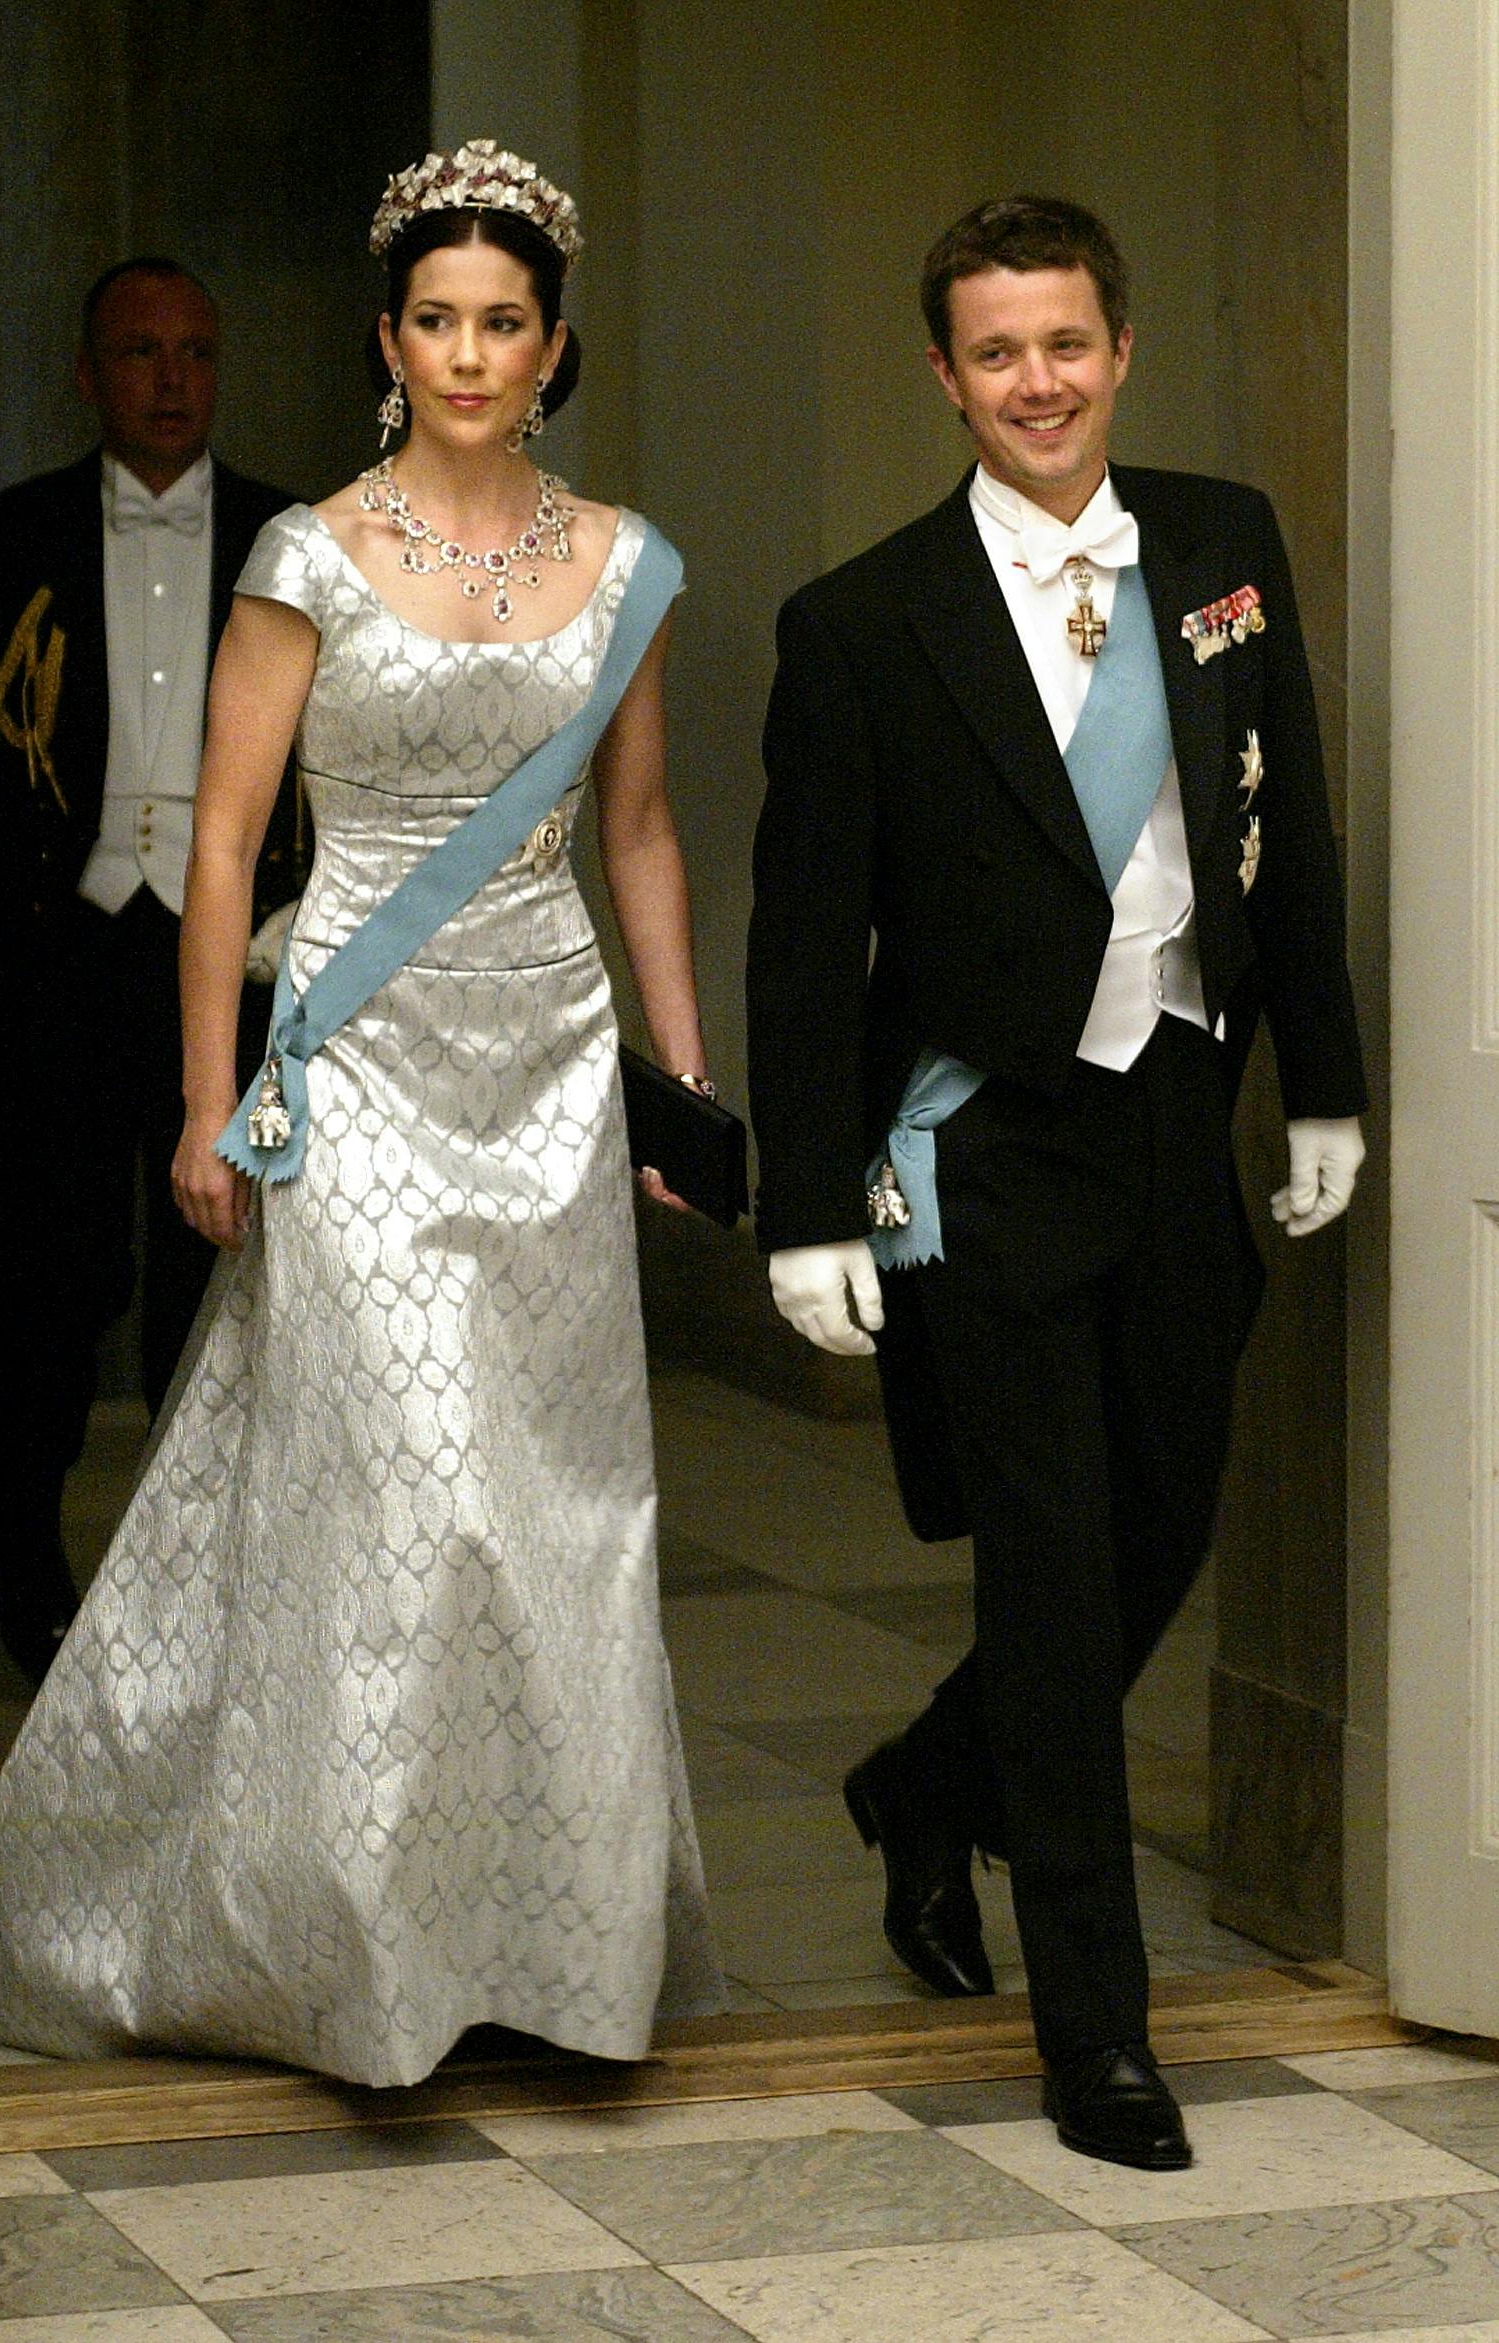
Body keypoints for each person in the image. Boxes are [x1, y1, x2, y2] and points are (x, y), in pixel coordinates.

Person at [0, 141, 724, 2086]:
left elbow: (635, 830)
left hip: (543, 1058)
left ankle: (543, 1943)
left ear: (553, 345)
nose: (472, 353)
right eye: (438, 320)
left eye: (506, 322)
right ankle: (358, 1954)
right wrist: (214, 1099)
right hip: (355, 1059)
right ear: (391, 339)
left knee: (548, 1506)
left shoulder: (622, 563)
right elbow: (220, 845)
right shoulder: (306, 554)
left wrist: (683, 1084)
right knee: (400, 1490)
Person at [746, 196, 1366, 2170]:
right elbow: (801, 938)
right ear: (943, 373)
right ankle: (1096, 2029)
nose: (1037, 381)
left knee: (1161, 1518)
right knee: (1047, 1561)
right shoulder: (859, 621)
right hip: (989, 1144)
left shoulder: (1216, 543)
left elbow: (1300, 833)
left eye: (1065, 343)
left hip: (1176, 1118)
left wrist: (1326, 1090)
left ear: (1119, 346)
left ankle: (928, 1781)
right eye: (995, 351)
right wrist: (807, 1206)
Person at [0, 260, 304, 1687]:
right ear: (87, 374)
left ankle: (195, 1586)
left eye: (196, 353)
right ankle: (30, 1569)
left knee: (210, 1296)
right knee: (41, 1284)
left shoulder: (293, 539)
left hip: (240, 973)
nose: (170, 378)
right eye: (140, 353)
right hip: (59, 963)